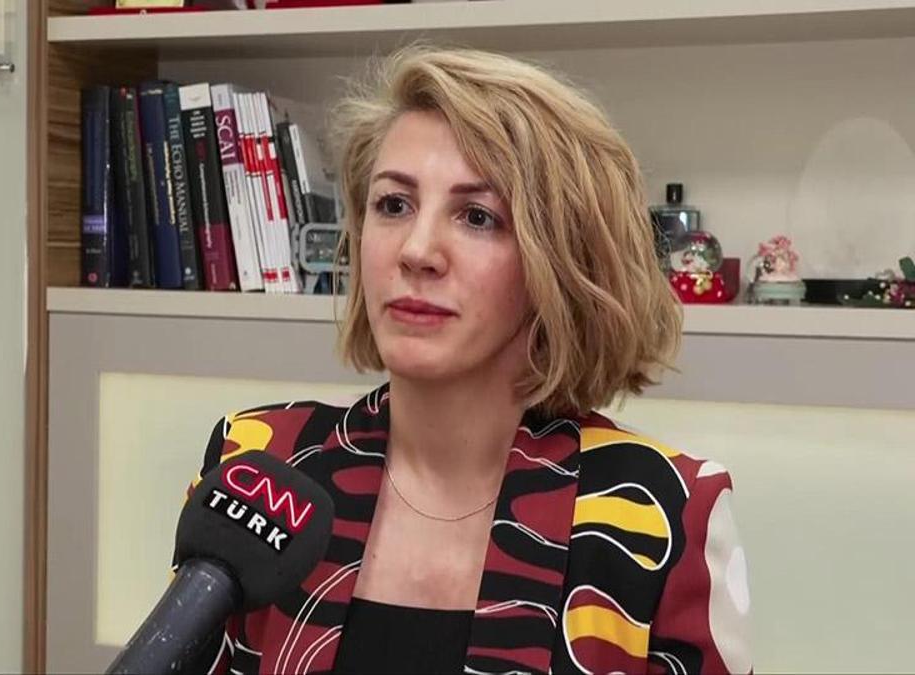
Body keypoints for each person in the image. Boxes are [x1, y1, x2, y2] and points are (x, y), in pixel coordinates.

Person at [183, 45, 751, 675]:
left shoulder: (664, 510)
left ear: (560, 261)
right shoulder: (258, 462)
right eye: (393, 205)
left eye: (477, 216)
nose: (417, 251)